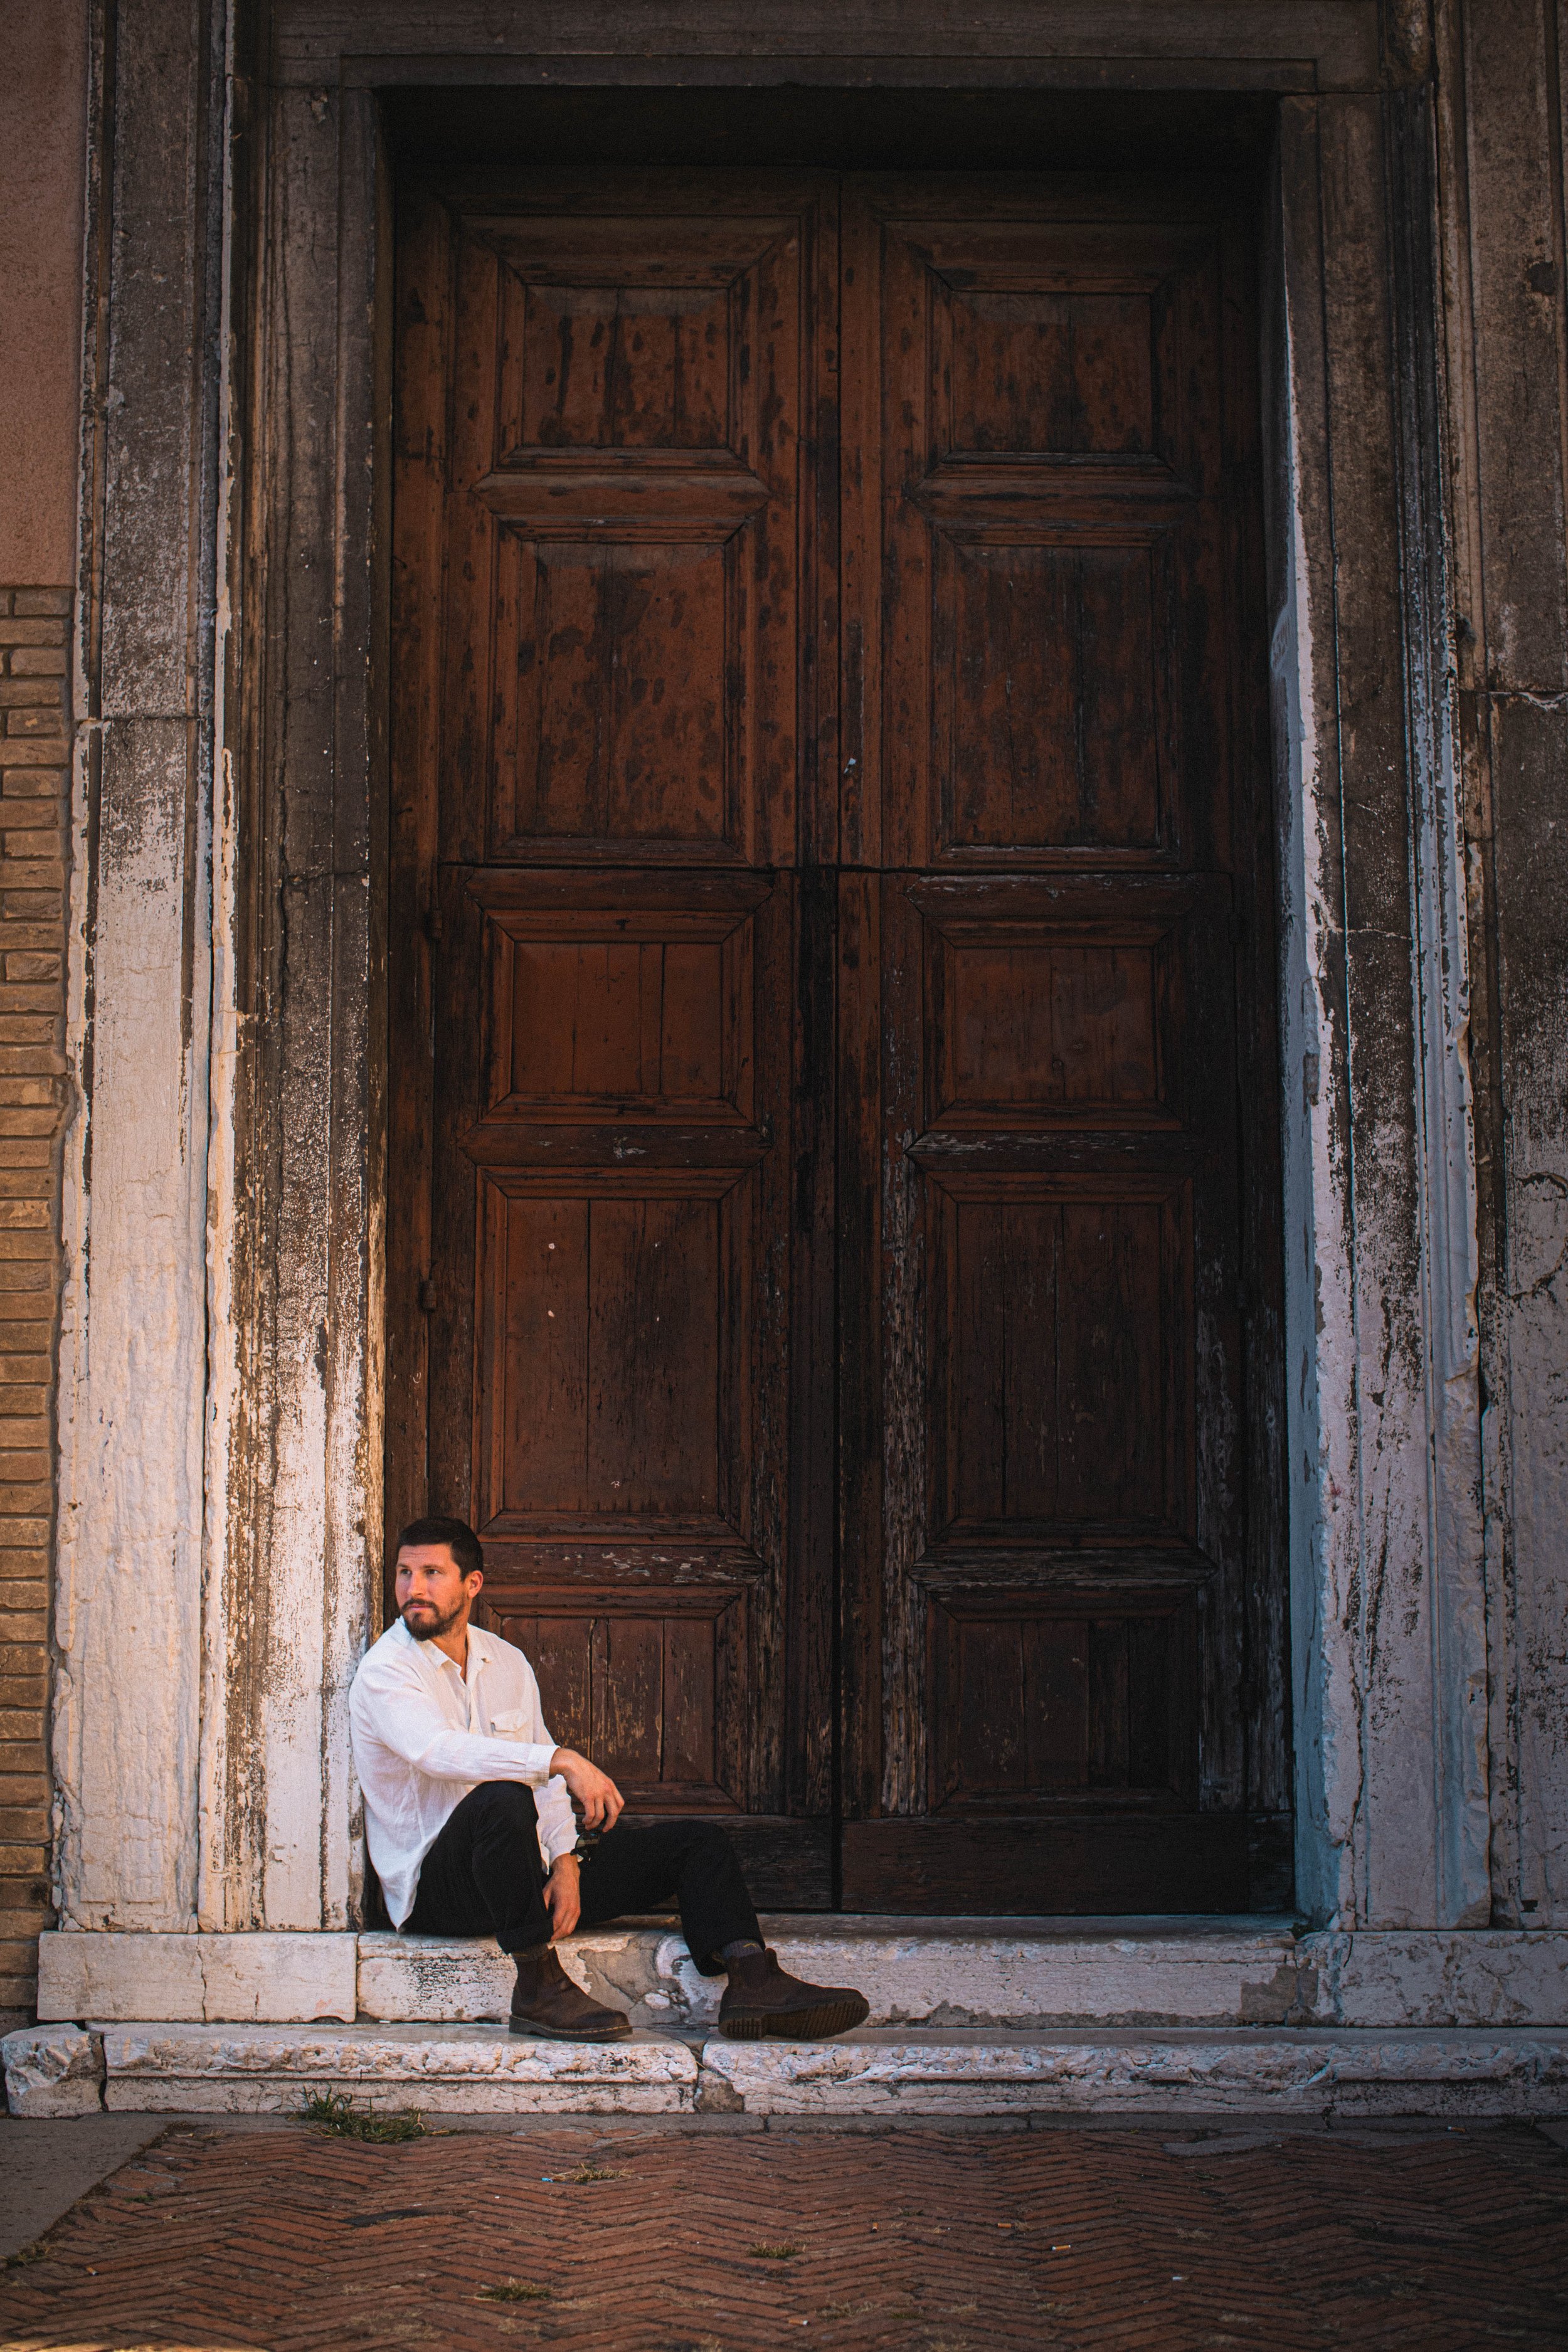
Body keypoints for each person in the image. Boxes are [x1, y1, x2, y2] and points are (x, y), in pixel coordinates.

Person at [348, 1516, 870, 2044]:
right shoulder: (386, 1670)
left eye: (431, 1572)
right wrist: (565, 1759)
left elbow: (545, 1790)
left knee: (698, 1844)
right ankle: (538, 1986)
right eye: (404, 1573)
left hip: (523, 1876)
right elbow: (436, 1751)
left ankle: (754, 1981)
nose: (413, 1589)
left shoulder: (505, 1662)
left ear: (472, 1584)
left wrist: (566, 1861)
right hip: (439, 1892)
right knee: (501, 1797)